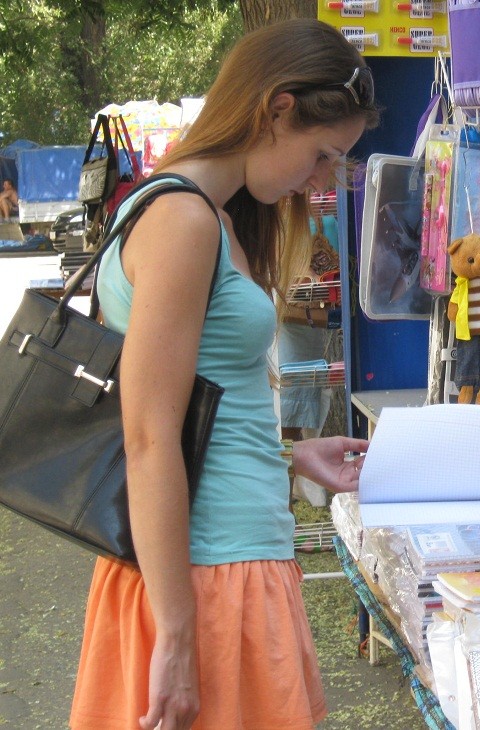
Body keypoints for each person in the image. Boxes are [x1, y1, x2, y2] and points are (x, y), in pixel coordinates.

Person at [69, 19, 378, 730]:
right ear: (276, 109)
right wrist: (176, 636)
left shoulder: (202, 213)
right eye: (322, 155)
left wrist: (287, 456)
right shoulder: (183, 220)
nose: (320, 178)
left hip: (218, 561)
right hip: (205, 573)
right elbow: (149, 437)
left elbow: (195, 410)